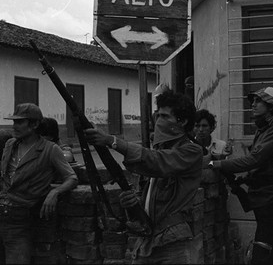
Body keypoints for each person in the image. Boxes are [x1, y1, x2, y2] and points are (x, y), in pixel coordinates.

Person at [84, 89, 203, 264]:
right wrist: (132, 203)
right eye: (158, 115)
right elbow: (151, 196)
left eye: (165, 116)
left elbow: (158, 162)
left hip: (173, 241)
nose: (159, 121)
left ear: (182, 121)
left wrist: (112, 141)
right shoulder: (161, 151)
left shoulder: (191, 150)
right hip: (148, 239)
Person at [208, 87, 273, 264]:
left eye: (258, 101)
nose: (253, 104)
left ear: (270, 106)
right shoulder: (262, 130)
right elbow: (261, 165)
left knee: (262, 247)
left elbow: (254, 160)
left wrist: (217, 164)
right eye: (252, 101)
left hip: (271, 197)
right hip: (263, 196)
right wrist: (244, 179)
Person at [0, 103, 78, 264]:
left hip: (20, 216)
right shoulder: (10, 145)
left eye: (20, 122)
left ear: (34, 124)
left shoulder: (50, 149)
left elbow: (71, 178)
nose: (14, 126)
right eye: (14, 122)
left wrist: (54, 192)